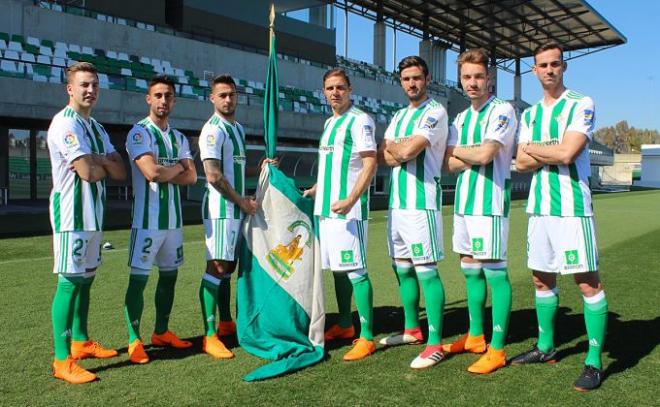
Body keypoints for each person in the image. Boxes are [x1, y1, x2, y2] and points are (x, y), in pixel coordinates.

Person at [513, 42, 607, 392]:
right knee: (541, 280)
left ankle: (594, 362)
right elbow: (520, 165)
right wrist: (544, 151)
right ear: (534, 71)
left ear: (563, 67)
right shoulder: (531, 114)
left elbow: (568, 152)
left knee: (587, 283)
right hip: (539, 209)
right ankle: (546, 346)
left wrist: (533, 148)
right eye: (542, 65)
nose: (549, 70)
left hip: (571, 209)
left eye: (555, 64)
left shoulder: (581, 103)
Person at [47, 62, 126, 383]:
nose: (90, 90)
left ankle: (80, 342)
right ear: (70, 89)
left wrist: (99, 161)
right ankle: (61, 359)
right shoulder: (64, 125)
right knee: (69, 281)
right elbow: (88, 172)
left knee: (87, 279)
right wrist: (100, 161)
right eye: (84, 85)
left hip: (94, 215)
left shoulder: (96, 127)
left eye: (94, 85)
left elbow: (121, 171)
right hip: (71, 215)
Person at [443, 48, 517, 374]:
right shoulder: (461, 118)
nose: (472, 83)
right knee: (470, 269)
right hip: (464, 204)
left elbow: (487, 154)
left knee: (495, 273)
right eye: (466, 77)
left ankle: (498, 349)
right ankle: (475, 336)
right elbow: (447, 163)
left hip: (489, 204)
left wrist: (462, 153)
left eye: (478, 76)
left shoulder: (502, 110)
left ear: (490, 78)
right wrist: (465, 154)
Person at [378, 56, 449, 369]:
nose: (412, 83)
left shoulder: (435, 111)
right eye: (406, 79)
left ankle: (435, 343)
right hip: (397, 205)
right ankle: (412, 330)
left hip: (422, 204)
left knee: (426, 271)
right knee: (402, 268)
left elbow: (404, 151)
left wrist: (398, 147)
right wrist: (397, 148)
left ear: (427, 78)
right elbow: (383, 154)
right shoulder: (398, 115)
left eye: (417, 77)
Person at [303, 68, 378, 361]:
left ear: (350, 89)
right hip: (326, 210)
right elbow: (332, 168)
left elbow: (370, 163)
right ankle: (345, 324)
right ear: (324, 92)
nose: (335, 92)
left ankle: (367, 336)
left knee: (356, 269)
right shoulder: (329, 123)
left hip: (349, 211)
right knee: (337, 269)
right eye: (330, 88)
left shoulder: (360, 120)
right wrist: (315, 190)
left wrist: (350, 199)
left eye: (340, 87)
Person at [123, 75, 197, 364]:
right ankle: (133, 340)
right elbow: (151, 173)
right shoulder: (139, 133)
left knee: (170, 278)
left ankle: (161, 332)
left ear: (174, 100)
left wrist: (173, 169)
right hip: (147, 222)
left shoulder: (178, 137)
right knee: (138, 282)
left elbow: (191, 177)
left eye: (168, 95)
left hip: (173, 223)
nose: (163, 100)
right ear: (148, 99)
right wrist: (178, 166)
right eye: (158, 95)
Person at [197, 74, 257, 359]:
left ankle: (225, 322)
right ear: (212, 98)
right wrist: (242, 202)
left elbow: (236, 171)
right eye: (222, 95)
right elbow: (214, 175)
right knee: (217, 267)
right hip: (222, 211)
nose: (228, 99)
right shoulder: (213, 130)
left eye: (232, 94)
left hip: (237, 209)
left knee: (228, 269)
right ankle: (209, 336)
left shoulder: (238, 129)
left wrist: (263, 169)